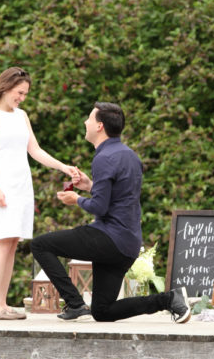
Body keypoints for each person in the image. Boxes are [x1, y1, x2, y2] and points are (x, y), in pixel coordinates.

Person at [31, 102, 191, 323]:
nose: (85, 122)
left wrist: (76, 199)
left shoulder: (104, 158)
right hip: (128, 244)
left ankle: (75, 304)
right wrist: (89, 186)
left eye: (89, 118)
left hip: (108, 238)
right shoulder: (130, 155)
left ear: (99, 126)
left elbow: (99, 207)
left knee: (40, 245)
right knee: (103, 311)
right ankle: (168, 299)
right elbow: (120, 197)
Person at [0, 67, 79, 320]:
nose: (22, 97)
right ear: (6, 87)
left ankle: (2, 303)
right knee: (1, 242)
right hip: (1, 187)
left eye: (25, 94)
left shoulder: (21, 116)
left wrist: (63, 166)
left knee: (12, 244)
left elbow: (35, 150)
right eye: (19, 92)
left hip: (21, 187)